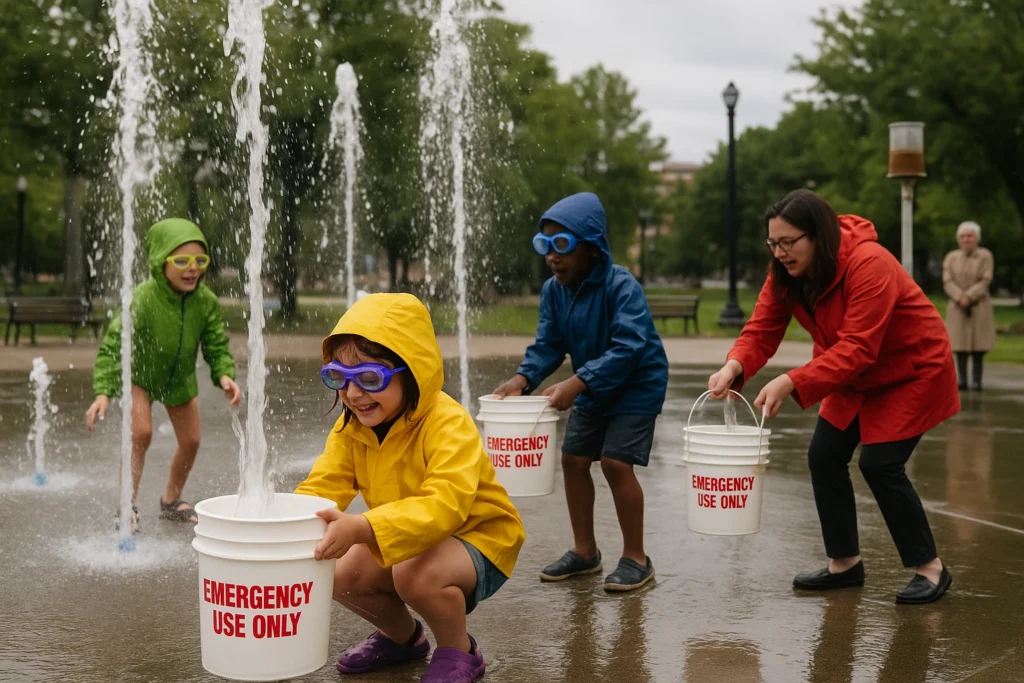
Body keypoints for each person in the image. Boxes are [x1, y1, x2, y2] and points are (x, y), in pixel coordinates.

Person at [707, 189, 959, 605]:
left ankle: (929, 569)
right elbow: (762, 328)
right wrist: (735, 366)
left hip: (910, 370)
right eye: (773, 243)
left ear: (818, 236)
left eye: (789, 242)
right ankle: (844, 563)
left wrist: (791, 380)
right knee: (824, 456)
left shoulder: (869, 263)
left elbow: (860, 346)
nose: (780, 252)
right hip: (849, 372)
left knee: (880, 464)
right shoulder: (784, 272)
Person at [295, 293, 525, 683]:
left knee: (412, 574)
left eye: (370, 378)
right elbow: (323, 485)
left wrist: (364, 527)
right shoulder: (351, 428)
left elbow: (444, 505)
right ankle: (402, 639)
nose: (352, 394)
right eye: (339, 377)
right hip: (407, 538)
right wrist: (280, 526)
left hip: (480, 538)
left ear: (412, 372)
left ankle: (459, 650)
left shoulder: (447, 423)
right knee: (335, 573)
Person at [493, 192, 668, 593]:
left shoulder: (620, 285)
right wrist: (522, 380)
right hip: (595, 380)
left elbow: (629, 346)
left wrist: (577, 382)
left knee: (614, 463)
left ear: (591, 247)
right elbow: (549, 344)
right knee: (572, 459)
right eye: (545, 246)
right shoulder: (554, 291)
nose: (552, 257)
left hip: (637, 381)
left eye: (562, 245)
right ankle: (585, 552)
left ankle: (637, 559)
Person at [86, 218, 240, 532]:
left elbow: (215, 342)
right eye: (181, 261)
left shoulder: (205, 302)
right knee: (140, 433)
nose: (192, 268)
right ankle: (125, 505)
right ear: (160, 262)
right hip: (140, 377)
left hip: (179, 379)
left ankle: (170, 500)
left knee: (192, 440)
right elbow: (114, 344)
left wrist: (224, 374)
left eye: (200, 260)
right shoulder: (142, 299)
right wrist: (103, 391)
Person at [942, 221, 996, 391]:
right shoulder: (951, 257)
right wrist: (959, 296)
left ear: (976, 238)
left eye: (970, 236)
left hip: (978, 306)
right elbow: (947, 280)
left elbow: (985, 279)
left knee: (978, 346)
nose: (967, 239)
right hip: (958, 307)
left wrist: (969, 296)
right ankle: (962, 380)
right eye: (963, 236)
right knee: (960, 346)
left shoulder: (985, 256)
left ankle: (977, 380)